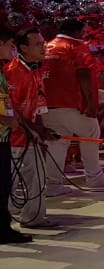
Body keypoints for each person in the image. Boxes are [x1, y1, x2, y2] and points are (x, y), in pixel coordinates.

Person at [41, 19, 104, 192]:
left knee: (57, 142)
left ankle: (53, 184)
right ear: (78, 31)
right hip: (73, 103)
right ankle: (94, 177)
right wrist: (91, 103)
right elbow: (84, 73)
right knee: (91, 134)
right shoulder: (76, 46)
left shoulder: (46, 46)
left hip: (49, 105)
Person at [4, 28, 62, 228]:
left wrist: (43, 130)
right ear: (23, 48)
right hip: (11, 138)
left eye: (42, 42)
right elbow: (10, 108)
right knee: (8, 182)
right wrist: (33, 130)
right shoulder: (10, 72)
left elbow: (38, 103)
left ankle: (33, 218)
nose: (44, 47)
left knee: (37, 178)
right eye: (38, 44)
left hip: (30, 138)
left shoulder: (37, 69)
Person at [0, 28, 34, 242]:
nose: (12, 49)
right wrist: (5, 120)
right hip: (2, 133)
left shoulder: (2, 71)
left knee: (4, 185)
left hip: (4, 136)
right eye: (9, 43)